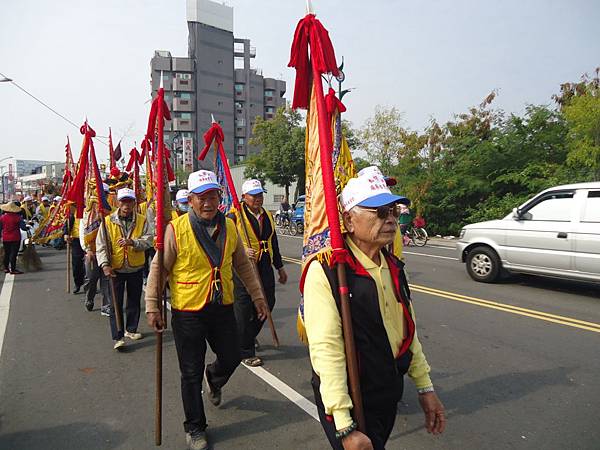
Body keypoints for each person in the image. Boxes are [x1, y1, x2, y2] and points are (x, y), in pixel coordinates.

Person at [303, 167, 445, 450]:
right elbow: (327, 348)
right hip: (351, 396)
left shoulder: (393, 266)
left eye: (393, 210)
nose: (391, 219)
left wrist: (425, 386)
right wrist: (344, 426)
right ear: (349, 220)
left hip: (387, 388)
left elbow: (407, 332)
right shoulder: (328, 270)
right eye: (379, 213)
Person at [145, 170, 269, 450]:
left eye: (212, 196)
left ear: (219, 197)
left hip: (222, 305)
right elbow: (159, 269)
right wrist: (153, 306)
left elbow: (243, 266)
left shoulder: (230, 226)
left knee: (233, 354)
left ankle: (214, 378)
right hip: (188, 310)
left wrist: (257, 297)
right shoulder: (175, 229)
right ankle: (195, 428)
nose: (207, 203)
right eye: (201, 198)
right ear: (190, 200)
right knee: (190, 372)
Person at [230, 179, 287, 366]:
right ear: (244, 197)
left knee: (268, 302)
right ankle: (246, 350)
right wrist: (241, 249)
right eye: (253, 195)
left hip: (264, 265)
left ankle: (246, 335)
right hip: (242, 267)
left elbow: (274, 243)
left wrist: (280, 268)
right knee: (244, 308)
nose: (258, 198)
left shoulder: (267, 215)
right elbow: (225, 239)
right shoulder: (234, 215)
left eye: (260, 194)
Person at [96, 188, 153, 350]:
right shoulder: (107, 221)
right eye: (123, 201)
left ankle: (131, 329)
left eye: (129, 201)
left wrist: (133, 242)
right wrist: (105, 265)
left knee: (134, 301)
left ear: (134, 203)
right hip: (116, 268)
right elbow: (101, 245)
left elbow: (149, 240)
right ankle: (118, 336)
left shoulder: (142, 220)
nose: (126, 205)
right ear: (118, 203)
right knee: (115, 303)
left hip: (135, 266)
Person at [81, 183, 112, 315]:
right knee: (92, 279)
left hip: (106, 252)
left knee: (107, 280)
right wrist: (87, 249)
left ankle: (106, 305)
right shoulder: (86, 215)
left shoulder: (111, 213)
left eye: (104, 195)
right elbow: (83, 235)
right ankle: (89, 298)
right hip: (91, 253)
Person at [0, 202, 28, 275]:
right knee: (13, 253)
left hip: (5, 238)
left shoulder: (2, 217)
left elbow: (0, 228)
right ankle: (13, 269)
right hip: (15, 237)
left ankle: (6, 268)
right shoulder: (18, 218)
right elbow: (23, 228)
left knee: (7, 253)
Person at [64, 206, 86, 294]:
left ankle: (89, 284)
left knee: (89, 264)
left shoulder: (90, 209)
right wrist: (66, 233)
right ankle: (78, 283)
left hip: (89, 239)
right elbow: (67, 223)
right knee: (77, 263)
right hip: (76, 240)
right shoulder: (73, 210)